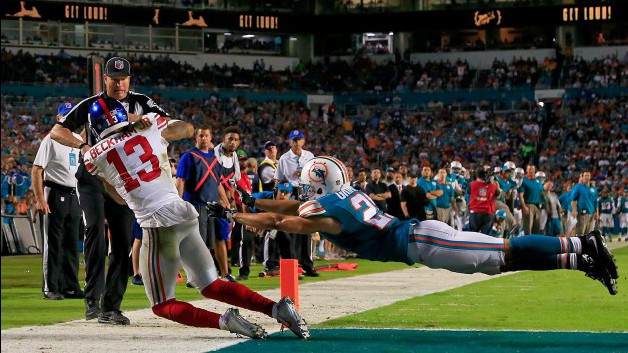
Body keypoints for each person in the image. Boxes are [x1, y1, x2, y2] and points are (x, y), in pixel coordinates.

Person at [211, 156, 619, 297]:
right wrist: (251, 200)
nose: (304, 192)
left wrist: (235, 216)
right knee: (505, 260)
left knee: (506, 251)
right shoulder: (342, 197)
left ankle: (583, 242)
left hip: (422, 244)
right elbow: (287, 206)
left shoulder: (329, 212)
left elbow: (283, 219)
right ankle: (580, 259)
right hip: (421, 239)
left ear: (319, 186)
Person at [82, 97, 309, 339]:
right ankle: (276, 308)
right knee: (211, 284)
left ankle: (226, 321)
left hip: (158, 223)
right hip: (184, 213)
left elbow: (117, 198)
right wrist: (144, 123)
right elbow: (187, 129)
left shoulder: (93, 156)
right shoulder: (147, 124)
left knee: (162, 305)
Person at [51, 56, 169, 324]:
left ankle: (111, 306)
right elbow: (57, 131)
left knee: (124, 242)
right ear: (105, 79)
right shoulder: (91, 104)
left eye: (123, 78)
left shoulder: (142, 102)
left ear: (130, 79)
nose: (119, 83)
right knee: (95, 232)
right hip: (93, 176)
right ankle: (92, 299)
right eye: (113, 79)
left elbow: (168, 123)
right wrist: (82, 146)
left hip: (125, 181)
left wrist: (136, 119)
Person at [32, 102, 84, 300]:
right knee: (53, 243)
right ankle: (50, 287)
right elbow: (37, 169)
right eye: (63, 116)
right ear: (57, 118)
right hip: (54, 191)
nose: (66, 119)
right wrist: (39, 199)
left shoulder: (78, 139)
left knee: (72, 243)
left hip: (74, 194)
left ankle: (71, 285)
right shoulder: (51, 139)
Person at [175, 125, 229, 284]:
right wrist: (179, 202)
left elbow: (218, 182)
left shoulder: (214, 159)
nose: (204, 138)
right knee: (195, 244)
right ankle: (194, 277)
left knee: (208, 244)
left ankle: (205, 275)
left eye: (206, 135)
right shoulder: (189, 156)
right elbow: (180, 180)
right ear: (196, 138)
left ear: (211, 138)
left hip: (212, 206)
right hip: (195, 205)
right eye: (201, 136)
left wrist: (225, 201)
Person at [274, 129, 318, 277]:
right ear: (289, 141)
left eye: (299, 139)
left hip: (306, 190)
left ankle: (307, 265)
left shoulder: (310, 156)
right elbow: (279, 179)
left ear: (303, 141)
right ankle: (293, 265)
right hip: (291, 191)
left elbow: (316, 176)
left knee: (306, 229)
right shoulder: (284, 158)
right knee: (291, 229)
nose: (296, 142)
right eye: (294, 139)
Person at [213, 126, 242, 282]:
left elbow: (232, 182)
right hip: (212, 200)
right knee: (211, 238)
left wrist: (231, 201)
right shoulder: (215, 154)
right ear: (223, 139)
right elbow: (215, 181)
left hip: (225, 202)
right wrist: (224, 202)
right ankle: (222, 272)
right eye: (230, 138)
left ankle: (224, 272)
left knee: (221, 237)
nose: (233, 142)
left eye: (236, 140)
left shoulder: (234, 156)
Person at [468, 167, 500, 235]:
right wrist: (496, 185)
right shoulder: (493, 186)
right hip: (488, 213)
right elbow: (498, 196)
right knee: (486, 235)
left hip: (475, 212)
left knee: (473, 235)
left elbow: (469, 193)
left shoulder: (472, 184)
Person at [518, 165, 545, 235]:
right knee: (528, 228)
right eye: (529, 169)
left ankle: (535, 244)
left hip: (538, 206)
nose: (531, 171)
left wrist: (545, 205)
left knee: (537, 227)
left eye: (532, 169)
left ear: (535, 170)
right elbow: (520, 195)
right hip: (528, 205)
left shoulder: (538, 181)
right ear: (526, 170)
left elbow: (542, 194)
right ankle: (527, 244)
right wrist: (524, 207)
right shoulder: (523, 180)